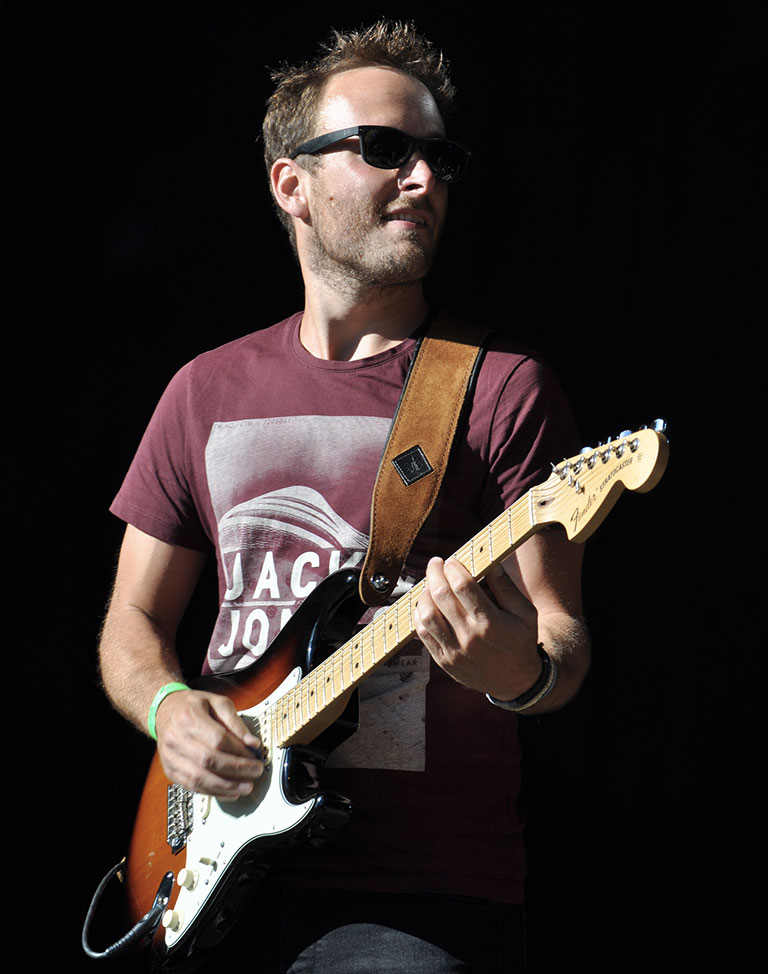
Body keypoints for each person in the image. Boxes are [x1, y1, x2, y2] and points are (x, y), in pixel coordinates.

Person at [98, 20, 590, 973]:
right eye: (385, 148)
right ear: (292, 184)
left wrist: (513, 669)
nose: (424, 178)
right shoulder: (204, 390)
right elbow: (132, 620)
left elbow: (561, 643)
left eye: (439, 157)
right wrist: (170, 711)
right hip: (212, 872)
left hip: (417, 898)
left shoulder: (500, 388)